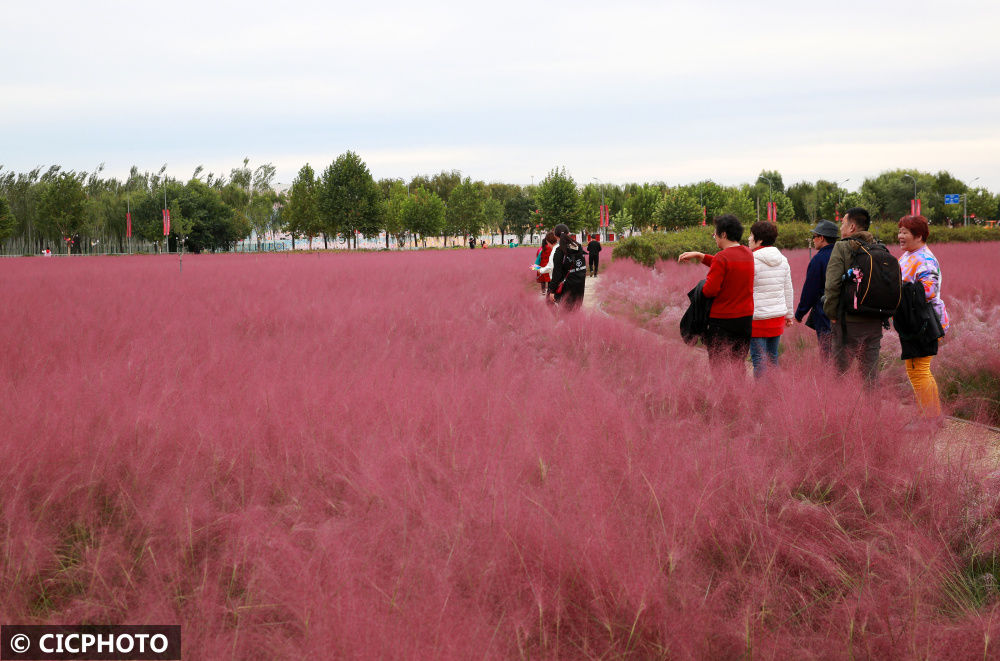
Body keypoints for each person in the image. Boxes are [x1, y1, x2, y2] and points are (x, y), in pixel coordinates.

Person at [678, 215, 754, 365]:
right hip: (745, 320)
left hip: (723, 323)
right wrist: (701, 256)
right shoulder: (747, 253)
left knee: (720, 367)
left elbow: (709, 291)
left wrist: (702, 285)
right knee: (738, 364)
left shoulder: (722, 257)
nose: (715, 237)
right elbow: (730, 264)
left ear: (723, 234)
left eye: (715, 234)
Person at [896, 214, 949, 418]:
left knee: (919, 371)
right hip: (914, 321)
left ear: (918, 235)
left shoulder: (925, 259)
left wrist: (898, 290)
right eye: (900, 231)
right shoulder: (909, 255)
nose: (900, 236)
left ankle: (930, 418)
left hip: (924, 322)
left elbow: (929, 291)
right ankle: (929, 414)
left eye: (905, 232)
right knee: (917, 370)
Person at [823, 207, 883, 386]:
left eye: (842, 224)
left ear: (852, 228)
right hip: (874, 321)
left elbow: (832, 285)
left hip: (848, 321)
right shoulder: (878, 247)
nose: (840, 228)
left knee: (839, 375)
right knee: (870, 375)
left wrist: (832, 314)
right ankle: (873, 412)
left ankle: (840, 410)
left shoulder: (842, 247)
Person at [747, 221, 794, 378]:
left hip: (757, 318)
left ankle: (761, 397)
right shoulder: (783, 260)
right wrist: (789, 314)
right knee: (772, 358)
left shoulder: (750, 260)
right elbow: (788, 288)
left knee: (759, 359)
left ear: (759, 240)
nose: (748, 238)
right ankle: (774, 394)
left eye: (751, 235)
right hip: (777, 316)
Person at [794, 220, 838, 358]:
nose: (813, 240)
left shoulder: (819, 259)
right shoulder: (843, 255)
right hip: (845, 315)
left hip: (825, 315)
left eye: (814, 236)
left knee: (827, 356)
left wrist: (800, 313)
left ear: (822, 238)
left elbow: (810, 291)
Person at [547, 227, 587, 310]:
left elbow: (557, 273)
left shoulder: (560, 251)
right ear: (568, 234)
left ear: (555, 236)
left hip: (567, 287)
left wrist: (552, 290)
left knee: (565, 312)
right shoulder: (578, 247)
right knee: (575, 310)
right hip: (580, 285)